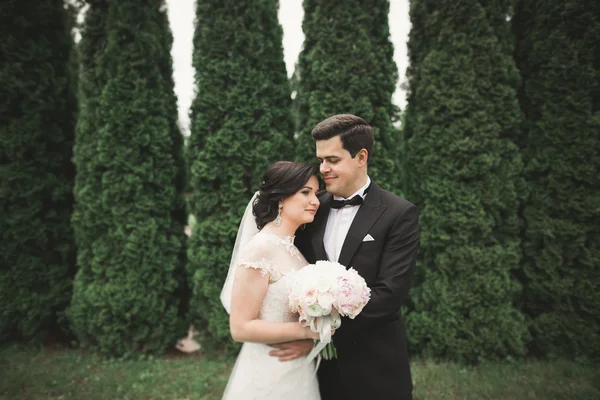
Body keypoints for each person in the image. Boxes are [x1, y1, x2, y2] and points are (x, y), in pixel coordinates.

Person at [269, 114, 419, 400]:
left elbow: (390, 295)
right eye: (321, 160)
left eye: (333, 160)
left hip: (376, 366)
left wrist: (319, 336)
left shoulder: (399, 213)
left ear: (361, 157)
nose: (323, 169)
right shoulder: (309, 210)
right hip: (315, 371)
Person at [220, 161, 324, 400]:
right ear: (280, 199)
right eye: (305, 192)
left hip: (298, 369)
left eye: (316, 194)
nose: (316, 201)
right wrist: (309, 332)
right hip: (269, 371)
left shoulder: (294, 250)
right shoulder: (260, 249)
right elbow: (240, 327)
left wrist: (309, 339)